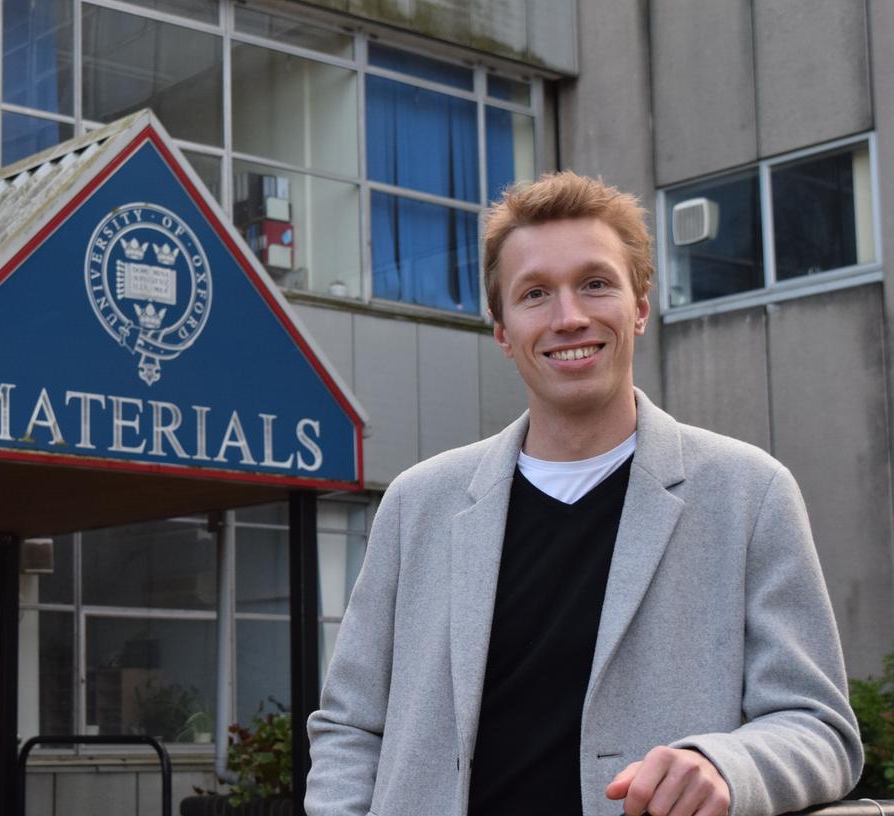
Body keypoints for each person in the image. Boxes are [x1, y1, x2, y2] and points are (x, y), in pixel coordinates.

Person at [306, 171, 861, 816]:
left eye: (595, 284)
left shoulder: (749, 494)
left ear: (641, 306)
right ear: (503, 330)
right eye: (535, 293)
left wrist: (726, 765)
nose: (569, 318)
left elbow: (819, 727)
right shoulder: (416, 504)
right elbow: (351, 728)